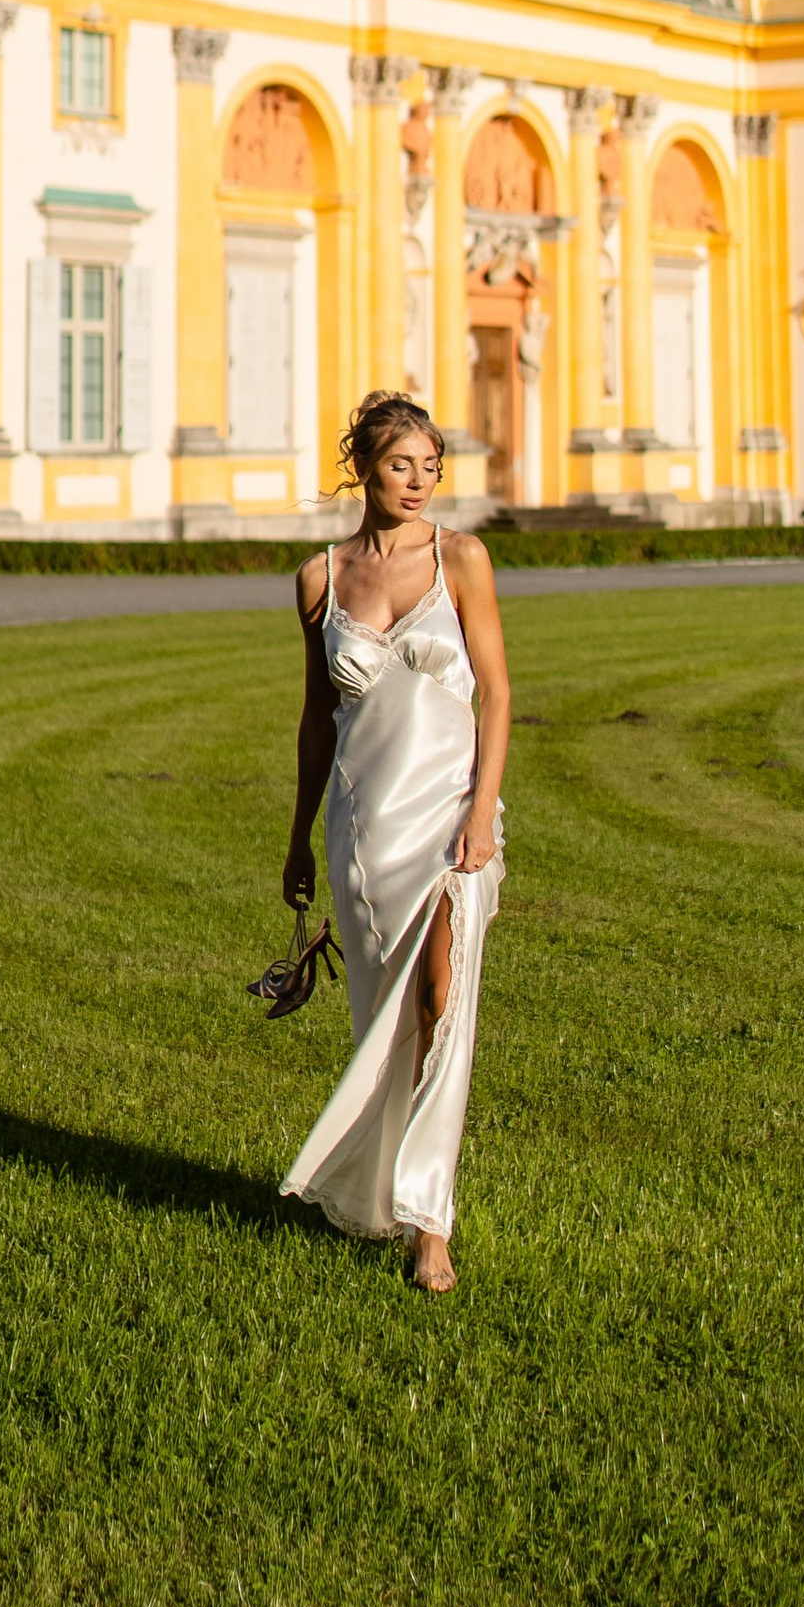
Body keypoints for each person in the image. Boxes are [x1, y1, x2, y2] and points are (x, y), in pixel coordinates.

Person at [280, 390, 511, 1294]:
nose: (418, 483)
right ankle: (377, 1188)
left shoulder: (463, 559)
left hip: (451, 816)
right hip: (363, 826)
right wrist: (297, 839)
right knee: (386, 1014)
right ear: (364, 469)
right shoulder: (319, 578)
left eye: (430, 466)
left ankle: (429, 1222)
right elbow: (314, 719)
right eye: (399, 465)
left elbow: (494, 692)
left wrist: (482, 811)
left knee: (442, 1003)